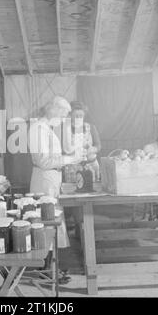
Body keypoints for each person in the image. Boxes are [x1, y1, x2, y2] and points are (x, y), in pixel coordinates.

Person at [29, 96, 85, 283]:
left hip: (51, 179)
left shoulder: (46, 129)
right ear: (53, 110)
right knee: (48, 223)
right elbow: (42, 161)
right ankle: (47, 269)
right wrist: (71, 159)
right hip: (45, 180)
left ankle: (52, 267)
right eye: (62, 115)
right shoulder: (38, 129)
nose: (63, 120)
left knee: (52, 223)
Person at [64, 101, 101, 238]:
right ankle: (79, 225)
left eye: (81, 115)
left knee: (90, 197)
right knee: (75, 198)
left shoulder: (90, 128)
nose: (79, 118)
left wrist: (94, 148)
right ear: (70, 116)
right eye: (76, 115)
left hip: (90, 165)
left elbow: (98, 145)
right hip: (73, 168)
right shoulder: (65, 130)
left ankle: (88, 227)